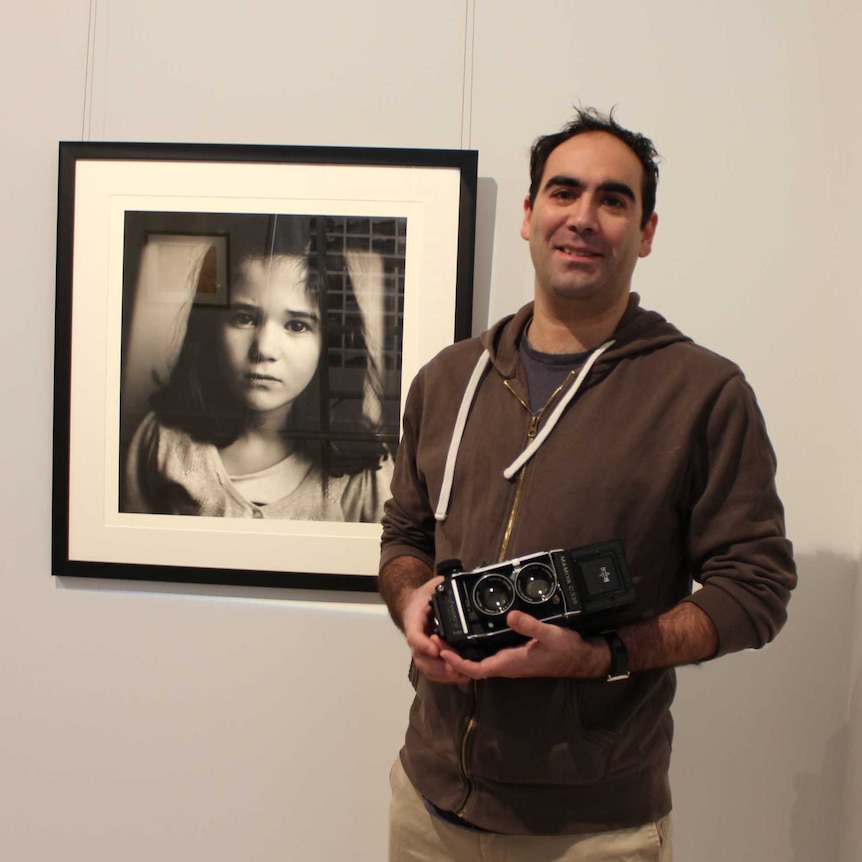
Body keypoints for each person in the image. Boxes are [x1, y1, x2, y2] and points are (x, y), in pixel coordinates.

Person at [378, 108, 796, 860]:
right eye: (564, 192)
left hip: (590, 829)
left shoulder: (702, 392)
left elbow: (756, 589)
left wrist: (603, 655)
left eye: (614, 199)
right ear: (530, 214)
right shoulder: (447, 380)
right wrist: (409, 597)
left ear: (646, 232)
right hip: (428, 805)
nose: (584, 217)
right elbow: (405, 535)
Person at [123, 214, 393, 522]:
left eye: (296, 325)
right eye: (244, 318)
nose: (263, 348)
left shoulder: (365, 468)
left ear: (329, 343)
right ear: (210, 327)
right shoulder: (164, 442)